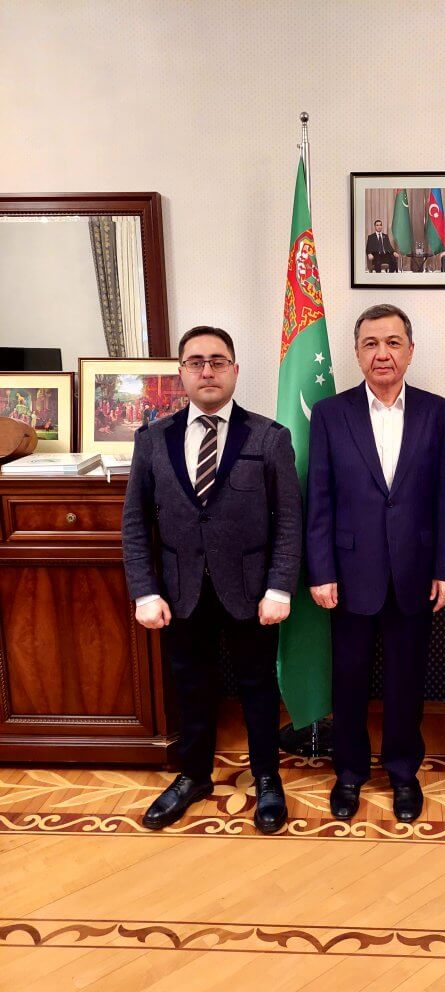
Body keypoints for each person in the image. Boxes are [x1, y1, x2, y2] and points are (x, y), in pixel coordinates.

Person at [122, 325, 302, 834]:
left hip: (252, 591)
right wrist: (144, 590)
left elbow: (289, 519)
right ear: (181, 372)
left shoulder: (269, 437)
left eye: (218, 361)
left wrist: (279, 587)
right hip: (180, 592)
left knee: (258, 687)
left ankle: (267, 776)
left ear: (235, 370)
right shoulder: (152, 439)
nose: (207, 370)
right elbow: (135, 521)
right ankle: (194, 775)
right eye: (196, 361)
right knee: (191, 686)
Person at [306, 303, 445, 823]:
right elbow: (319, 498)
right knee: (348, 679)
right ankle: (349, 773)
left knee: (406, 681)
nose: (382, 353)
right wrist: (321, 571)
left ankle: (402, 772)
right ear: (356, 353)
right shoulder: (330, 414)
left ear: (410, 351)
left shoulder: (439, 413)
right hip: (349, 573)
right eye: (371, 343)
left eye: (393, 342)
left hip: (416, 572)